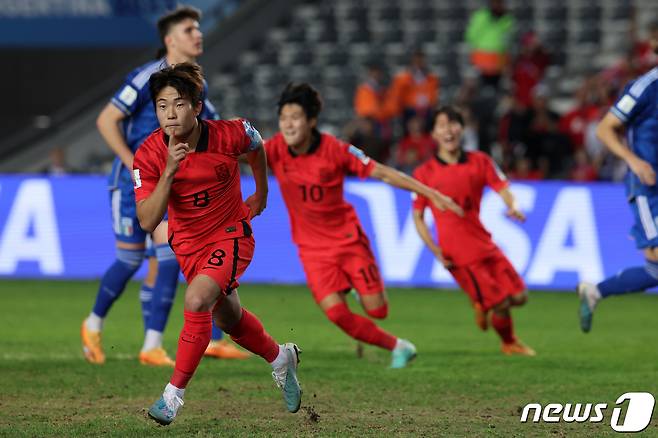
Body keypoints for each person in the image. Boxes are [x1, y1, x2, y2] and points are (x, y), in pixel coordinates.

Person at [133, 63, 301, 425]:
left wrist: (262, 191)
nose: (170, 114)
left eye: (178, 104)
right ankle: (280, 357)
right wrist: (168, 173)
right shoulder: (148, 155)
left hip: (231, 233)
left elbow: (257, 147)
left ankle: (172, 396)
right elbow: (148, 220)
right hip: (189, 247)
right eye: (162, 106)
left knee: (196, 300)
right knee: (228, 318)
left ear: (196, 106)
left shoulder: (230, 133)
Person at [81, 5, 247, 367]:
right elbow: (107, 119)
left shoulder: (195, 89)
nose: (198, 35)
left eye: (198, 29)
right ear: (171, 40)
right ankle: (93, 325)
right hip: (133, 181)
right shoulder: (147, 77)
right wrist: (132, 164)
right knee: (129, 260)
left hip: (171, 184)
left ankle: (154, 344)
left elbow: (217, 134)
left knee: (171, 256)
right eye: (190, 30)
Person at [265, 83, 463, 368]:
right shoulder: (273, 149)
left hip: (347, 240)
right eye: (283, 118)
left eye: (295, 117)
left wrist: (431, 193)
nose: (288, 124)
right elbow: (236, 152)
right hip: (311, 249)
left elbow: (381, 172)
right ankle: (400, 347)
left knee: (378, 310)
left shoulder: (336, 149)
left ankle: (358, 288)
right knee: (337, 315)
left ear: (311, 120)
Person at [411, 106, 535, 356]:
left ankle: (481, 303)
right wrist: (436, 252)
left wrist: (513, 206)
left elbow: (502, 187)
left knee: (520, 296)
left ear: (462, 129)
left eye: (453, 124)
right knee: (500, 302)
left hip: (483, 241)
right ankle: (509, 342)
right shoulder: (423, 174)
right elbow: (418, 217)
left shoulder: (480, 161)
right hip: (458, 252)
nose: (449, 130)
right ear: (434, 134)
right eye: (442, 125)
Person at [577, 42, 658, 332]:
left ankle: (595, 291)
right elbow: (604, 128)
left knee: (654, 270)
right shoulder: (646, 87)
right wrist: (633, 161)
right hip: (650, 188)